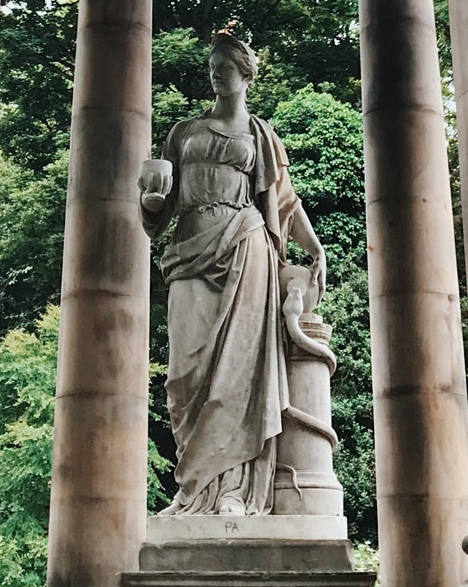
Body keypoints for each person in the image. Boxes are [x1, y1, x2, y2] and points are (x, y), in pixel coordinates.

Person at [139, 31, 327, 516]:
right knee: (185, 375)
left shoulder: (261, 134)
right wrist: (151, 199)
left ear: (245, 74)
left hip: (245, 246)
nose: (215, 74)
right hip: (189, 250)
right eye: (211, 67)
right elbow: (159, 207)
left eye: (224, 66)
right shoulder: (182, 132)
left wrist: (315, 248)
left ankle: (230, 492)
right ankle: (192, 487)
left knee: (238, 374)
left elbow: (284, 203)